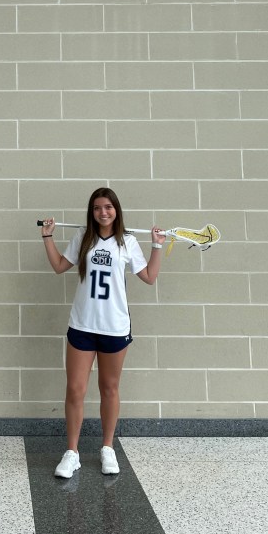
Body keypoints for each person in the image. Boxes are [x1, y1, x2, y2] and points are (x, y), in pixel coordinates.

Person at [40, 186, 165, 479]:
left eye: (108, 207)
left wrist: (157, 246)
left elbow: (149, 277)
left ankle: (107, 447)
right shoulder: (83, 237)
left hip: (114, 327)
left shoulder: (128, 241)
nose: (103, 212)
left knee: (109, 388)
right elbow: (59, 266)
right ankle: (72, 452)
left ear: (116, 210)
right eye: (97, 208)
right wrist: (47, 237)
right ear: (92, 211)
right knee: (75, 389)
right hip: (82, 324)